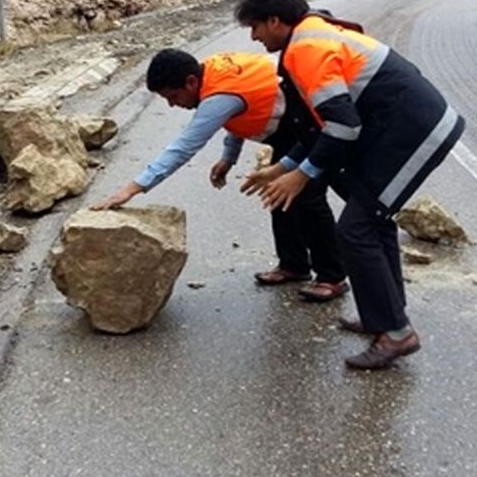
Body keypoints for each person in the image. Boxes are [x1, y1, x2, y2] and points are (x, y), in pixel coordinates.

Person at [235, 0, 465, 370]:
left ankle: (395, 333)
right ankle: (385, 316)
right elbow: (320, 126)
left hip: (414, 130)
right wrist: (282, 166)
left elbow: (343, 126)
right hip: (406, 127)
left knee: (356, 230)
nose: (254, 37)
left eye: (255, 27)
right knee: (372, 223)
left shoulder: (306, 50)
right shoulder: (310, 36)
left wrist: (302, 174)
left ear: (275, 21)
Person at [91, 48, 348, 302]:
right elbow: (240, 110)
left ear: (191, 82)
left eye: (173, 96)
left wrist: (132, 189)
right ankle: (294, 264)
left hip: (311, 122)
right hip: (288, 122)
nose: (173, 104)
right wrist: (229, 157)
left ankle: (332, 276)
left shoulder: (218, 95)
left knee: (307, 197)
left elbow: (182, 148)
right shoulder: (214, 73)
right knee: (277, 191)